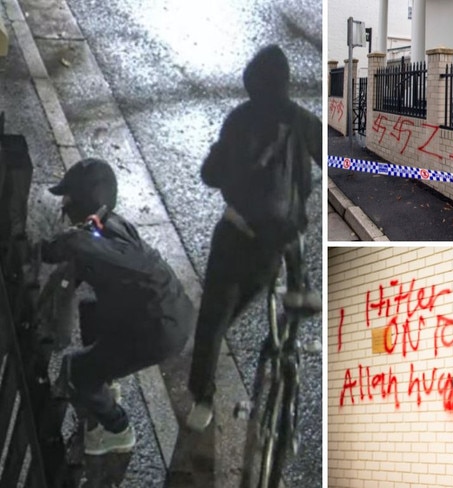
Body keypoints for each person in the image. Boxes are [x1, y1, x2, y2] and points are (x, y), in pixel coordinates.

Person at [186, 44, 321, 431]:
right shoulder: (302, 120)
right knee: (285, 250)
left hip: (236, 237)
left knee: (213, 321)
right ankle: (297, 294)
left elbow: (210, 174)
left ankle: (203, 399)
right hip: (273, 250)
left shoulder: (240, 119)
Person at [43, 157, 193, 455]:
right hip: (161, 312)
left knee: (77, 369)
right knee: (90, 310)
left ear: (83, 202)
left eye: (69, 198)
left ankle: (116, 429)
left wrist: (48, 249)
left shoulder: (92, 242)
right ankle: (104, 380)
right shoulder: (109, 224)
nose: (64, 206)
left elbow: (69, 247)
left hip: (159, 330)